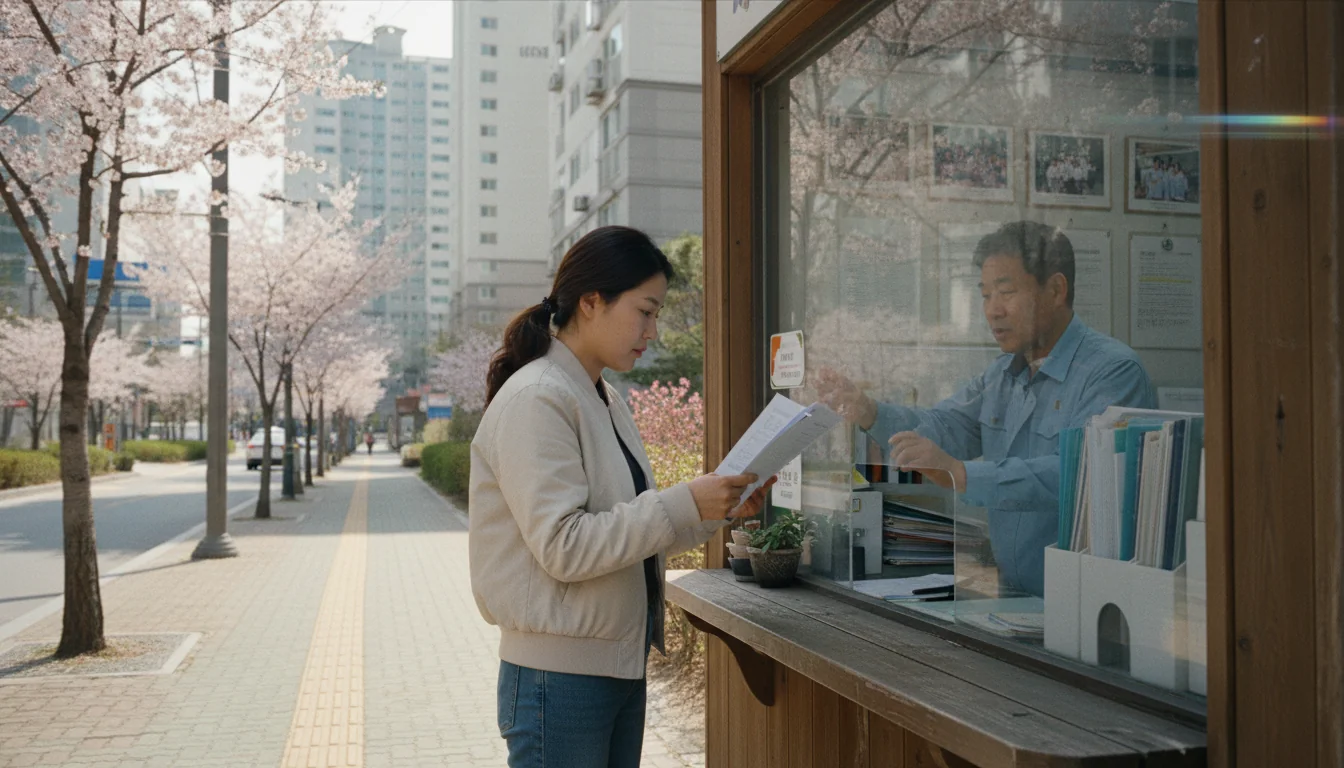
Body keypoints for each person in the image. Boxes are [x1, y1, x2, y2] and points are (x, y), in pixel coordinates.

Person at [469, 225, 774, 767]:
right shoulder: (540, 398)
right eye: (646, 310)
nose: (652, 331)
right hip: (557, 679)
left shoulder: (600, 395)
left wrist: (713, 509)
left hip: (611, 668)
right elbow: (565, 546)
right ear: (591, 302)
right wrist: (684, 501)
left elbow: (628, 535)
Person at [816, 221, 1155, 597]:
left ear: (1056, 290)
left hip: (1091, 604)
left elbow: (1079, 475)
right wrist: (868, 411)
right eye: (985, 295)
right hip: (1015, 601)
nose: (992, 311)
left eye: (1006, 292)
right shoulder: (1002, 375)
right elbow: (943, 427)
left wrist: (962, 475)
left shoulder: (1113, 372)